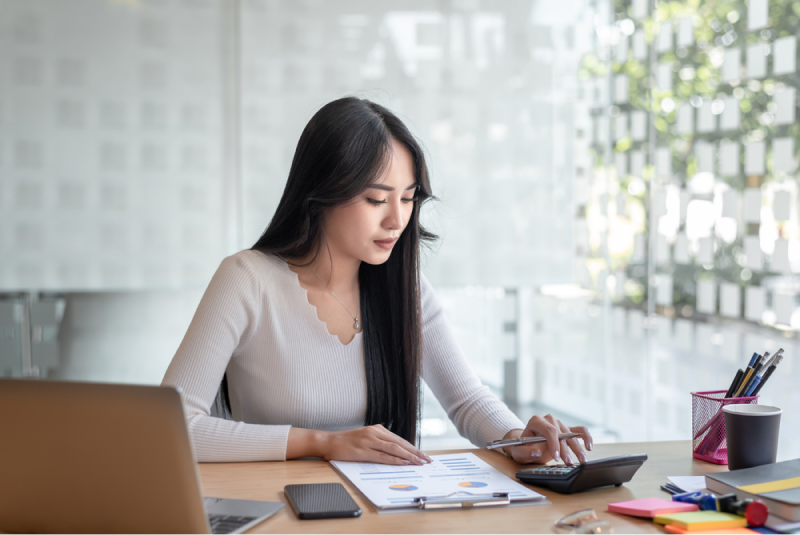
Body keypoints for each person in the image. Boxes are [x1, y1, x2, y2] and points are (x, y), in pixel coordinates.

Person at [162, 97, 592, 466]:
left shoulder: (405, 289)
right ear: (322, 192)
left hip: (377, 513)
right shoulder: (246, 280)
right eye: (376, 199)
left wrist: (519, 438)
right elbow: (174, 427)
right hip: (278, 511)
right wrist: (322, 442)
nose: (397, 219)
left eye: (407, 199)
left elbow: (466, 400)